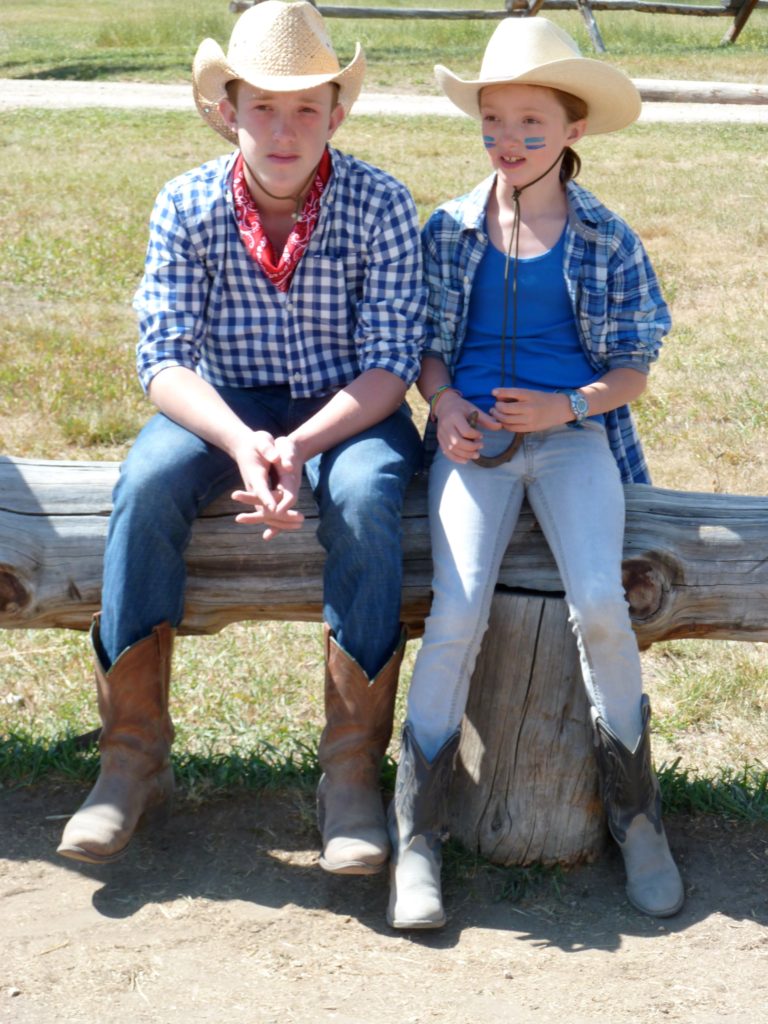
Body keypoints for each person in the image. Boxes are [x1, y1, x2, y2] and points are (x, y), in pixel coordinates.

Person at [57, 0, 426, 877]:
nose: (286, 128)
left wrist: (299, 445)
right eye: (264, 106)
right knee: (145, 484)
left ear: (338, 112)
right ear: (228, 111)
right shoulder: (185, 202)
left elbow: (391, 363)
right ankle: (130, 759)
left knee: (370, 494)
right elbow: (163, 361)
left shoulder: (378, 203)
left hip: (348, 406)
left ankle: (349, 776)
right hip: (221, 402)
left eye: (308, 108)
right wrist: (243, 438)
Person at [386, 16, 684, 929]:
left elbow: (637, 360)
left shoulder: (604, 236)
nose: (508, 142)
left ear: (573, 131)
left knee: (599, 599)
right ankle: (418, 833)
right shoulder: (448, 228)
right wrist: (444, 407)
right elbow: (424, 349)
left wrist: (570, 406)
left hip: (572, 437)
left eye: (531, 125)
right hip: (472, 442)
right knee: (459, 609)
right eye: (492, 123)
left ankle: (637, 815)